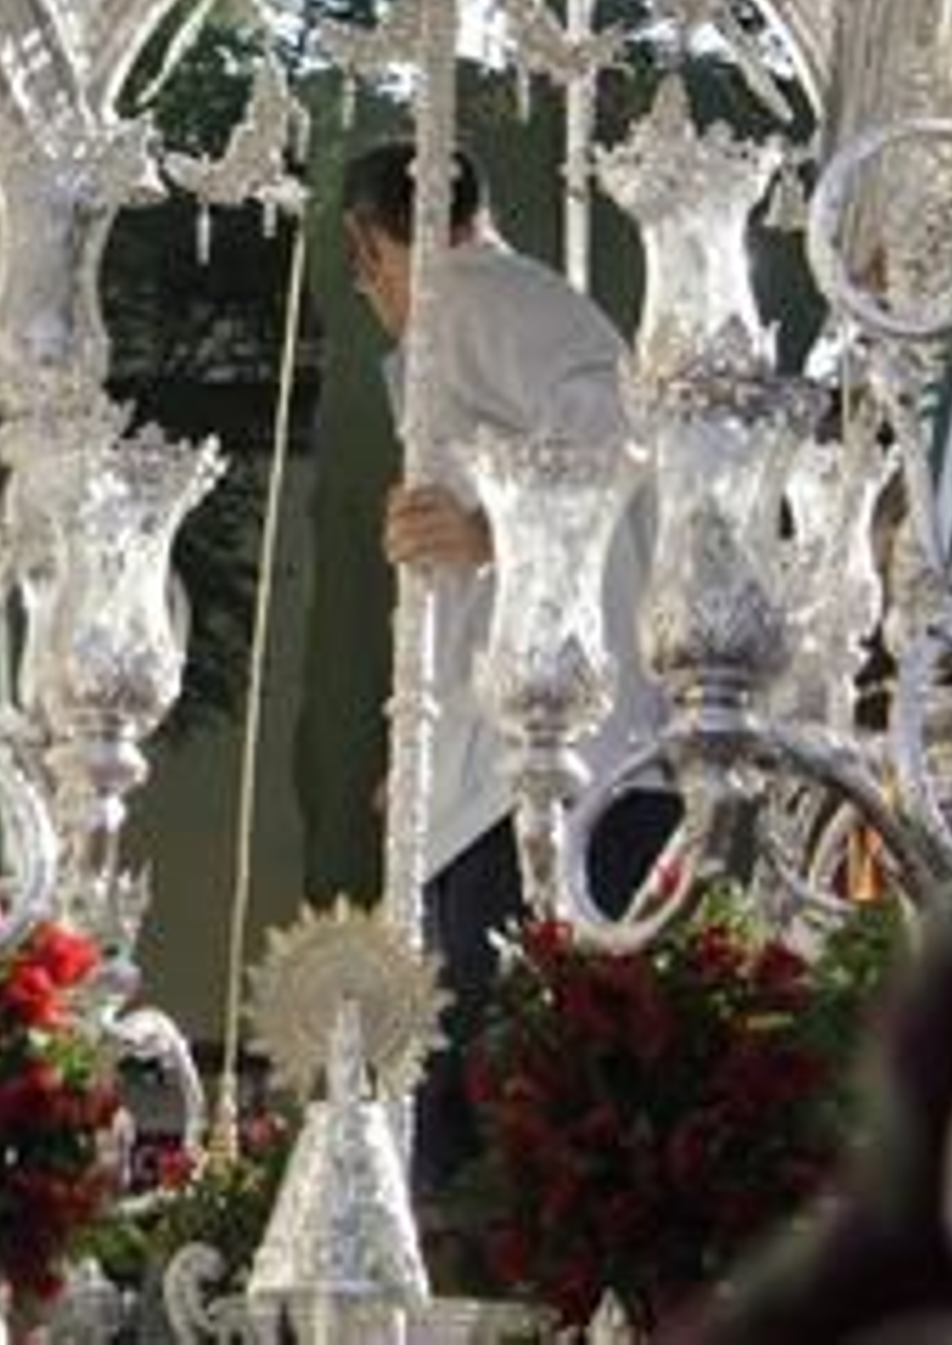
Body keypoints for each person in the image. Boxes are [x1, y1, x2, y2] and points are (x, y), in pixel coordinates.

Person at [340, 139, 679, 1210]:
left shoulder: (474, 296)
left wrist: (487, 530)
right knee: (475, 1102)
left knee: (511, 1107)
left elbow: (613, 417)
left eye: (366, 273)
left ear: (370, 249)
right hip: (495, 773)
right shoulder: (485, 310)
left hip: (550, 772)